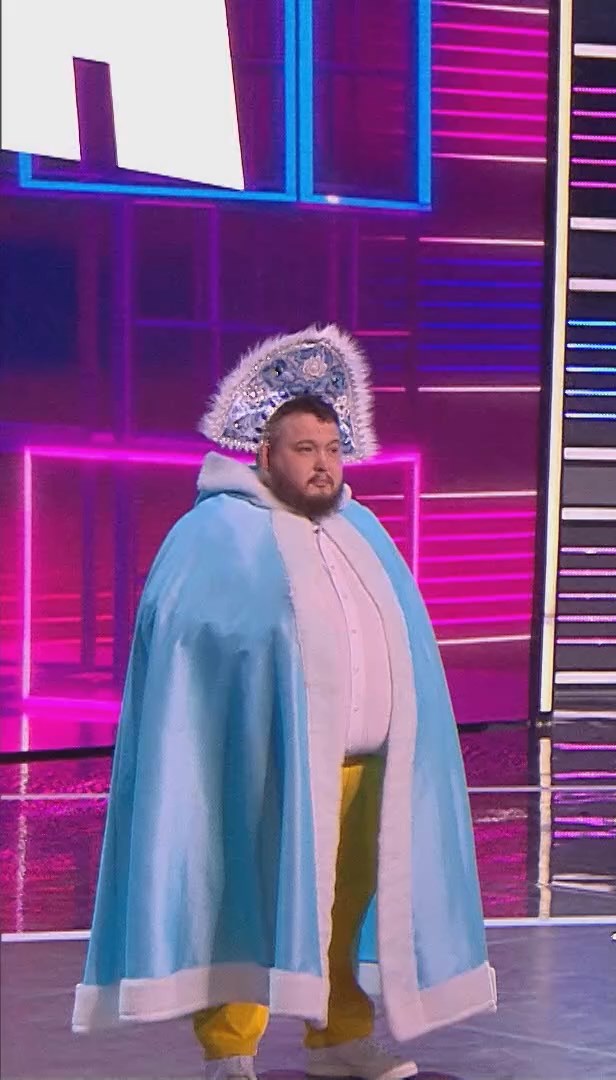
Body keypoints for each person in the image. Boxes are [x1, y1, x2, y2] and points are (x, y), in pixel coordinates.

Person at [72, 327, 496, 1080]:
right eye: (305, 449)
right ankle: (230, 1049)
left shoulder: (362, 531)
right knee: (250, 894)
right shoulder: (215, 536)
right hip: (267, 764)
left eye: (332, 447)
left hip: (365, 768)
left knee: (344, 906)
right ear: (265, 455)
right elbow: (190, 646)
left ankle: (338, 1038)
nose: (324, 463)